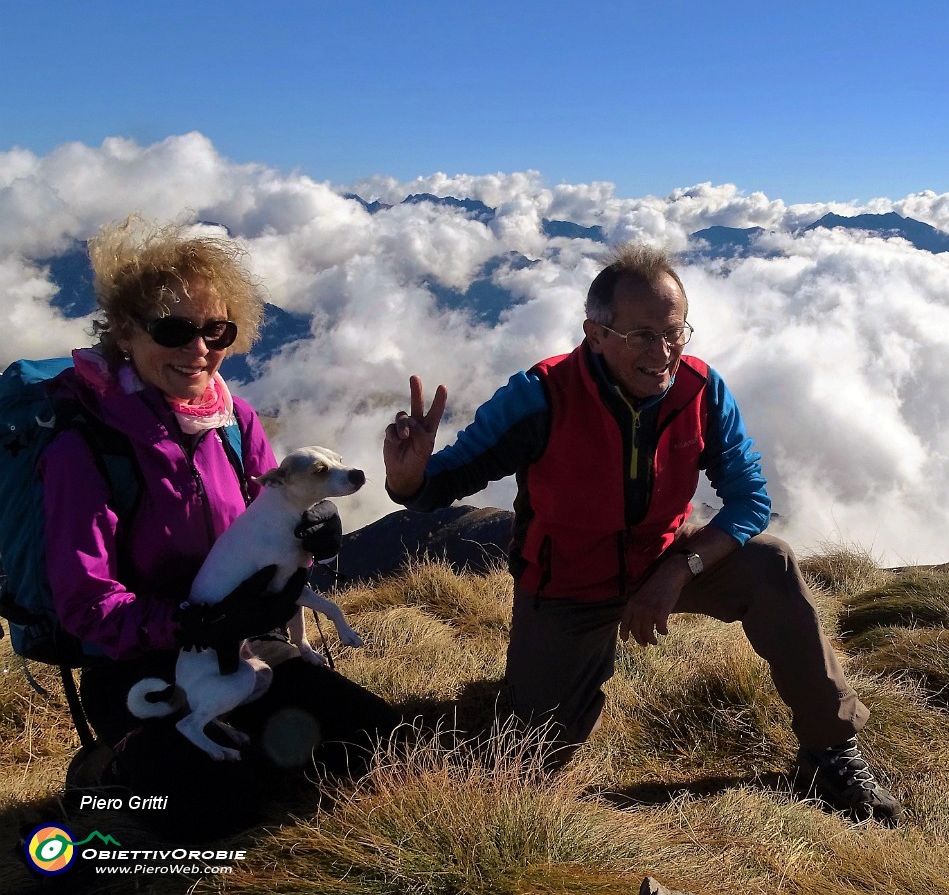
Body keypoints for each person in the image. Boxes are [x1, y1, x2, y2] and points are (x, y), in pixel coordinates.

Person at [383, 242, 901, 826]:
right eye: (641, 335)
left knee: (769, 563)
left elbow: (751, 500)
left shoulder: (699, 391)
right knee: (527, 763)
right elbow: (452, 476)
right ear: (596, 333)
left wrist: (680, 570)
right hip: (567, 588)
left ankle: (830, 751)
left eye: (674, 332)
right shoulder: (541, 396)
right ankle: (541, 694)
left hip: (663, 564)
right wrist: (410, 480)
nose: (663, 353)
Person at [41, 215, 398, 840]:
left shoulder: (235, 422)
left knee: (379, 746)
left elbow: (277, 525)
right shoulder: (88, 445)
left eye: (217, 329)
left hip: (240, 647)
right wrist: (188, 622)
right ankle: (105, 776)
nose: (199, 348)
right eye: (174, 329)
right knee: (218, 814)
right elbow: (85, 602)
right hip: (140, 664)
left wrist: (313, 533)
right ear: (125, 331)